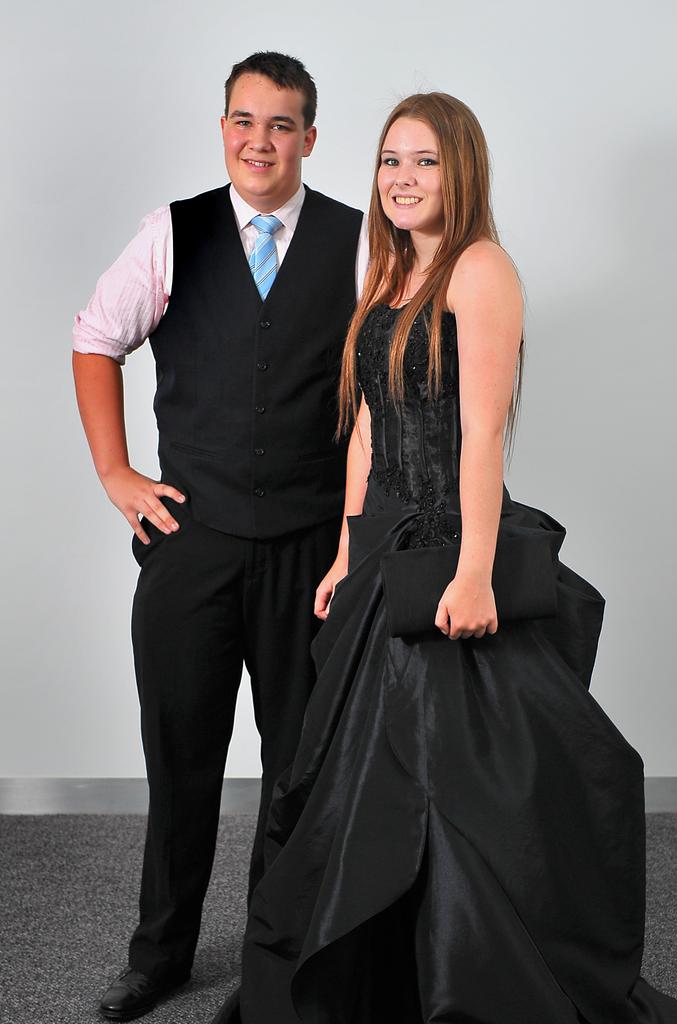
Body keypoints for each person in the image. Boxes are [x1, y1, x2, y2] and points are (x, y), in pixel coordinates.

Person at [211, 91, 677, 1024]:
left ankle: (466, 981)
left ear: (462, 171)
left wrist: (475, 569)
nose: (403, 179)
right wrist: (342, 555)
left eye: (425, 162)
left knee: (454, 787)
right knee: (359, 782)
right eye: (392, 161)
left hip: (452, 550)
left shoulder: (482, 270)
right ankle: (383, 975)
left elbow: (483, 437)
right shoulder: (387, 275)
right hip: (382, 557)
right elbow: (362, 431)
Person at [72, 51, 366, 1021]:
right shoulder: (175, 232)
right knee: (181, 755)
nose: (260, 141)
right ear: (223, 129)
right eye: (243, 121)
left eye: (281, 124)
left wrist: (363, 531)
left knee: (298, 766)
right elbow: (95, 336)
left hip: (310, 550)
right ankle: (159, 955)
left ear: (310, 139)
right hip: (191, 545)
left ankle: (273, 956)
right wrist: (117, 474)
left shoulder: (360, 245)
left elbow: (389, 384)